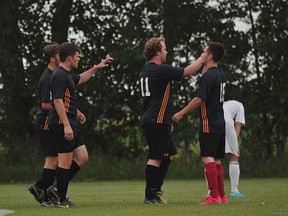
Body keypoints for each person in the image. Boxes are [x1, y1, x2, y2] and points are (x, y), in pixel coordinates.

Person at [139, 36, 203, 204]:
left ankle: (156, 191)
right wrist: (202, 59)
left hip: (157, 120)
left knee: (168, 155)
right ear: (158, 52)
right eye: (164, 49)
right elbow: (187, 72)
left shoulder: (146, 70)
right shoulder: (158, 69)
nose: (166, 52)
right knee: (156, 157)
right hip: (156, 120)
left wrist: (167, 121)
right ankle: (150, 195)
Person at [48, 42, 113, 208]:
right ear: (69, 58)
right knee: (65, 162)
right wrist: (67, 125)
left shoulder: (68, 74)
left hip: (70, 121)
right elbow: (57, 100)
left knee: (82, 157)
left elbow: (82, 78)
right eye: (77, 56)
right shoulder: (59, 75)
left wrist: (97, 67)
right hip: (62, 123)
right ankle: (61, 200)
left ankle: (56, 188)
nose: (79, 59)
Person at [172, 41, 228, 205]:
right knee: (216, 159)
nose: (201, 54)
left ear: (210, 56)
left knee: (207, 158)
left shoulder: (209, 76)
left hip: (208, 122)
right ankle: (222, 196)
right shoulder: (220, 74)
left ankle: (214, 196)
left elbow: (199, 99)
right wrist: (203, 62)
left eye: (204, 52)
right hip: (220, 122)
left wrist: (181, 113)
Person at [28, 42, 60, 206]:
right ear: (52, 58)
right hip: (45, 122)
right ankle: (45, 194)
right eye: (59, 53)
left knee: (55, 159)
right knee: (52, 159)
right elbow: (45, 104)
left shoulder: (56, 74)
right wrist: (65, 109)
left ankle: (40, 188)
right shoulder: (47, 77)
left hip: (51, 122)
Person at [223, 100, 245, 198]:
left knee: (211, 157)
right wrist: (235, 144)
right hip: (227, 123)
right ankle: (234, 191)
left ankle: (211, 192)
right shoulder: (239, 105)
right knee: (234, 156)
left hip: (213, 122)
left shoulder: (218, 103)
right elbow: (238, 123)